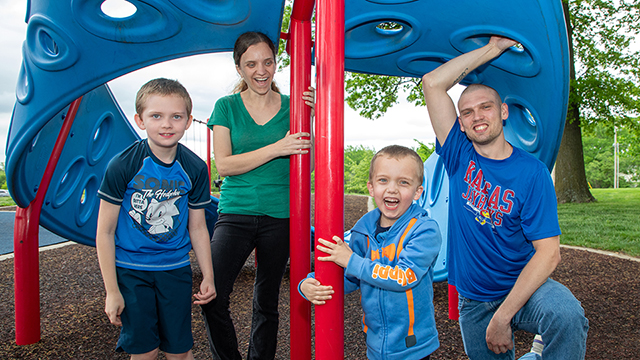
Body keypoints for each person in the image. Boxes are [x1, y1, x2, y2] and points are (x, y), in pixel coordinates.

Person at [421, 36, 589, 359]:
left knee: (567, 315)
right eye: (467, 112)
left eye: (485, 107)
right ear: (460, 123)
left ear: (504, 111)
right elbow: (432, 83)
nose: (477, 116)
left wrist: (503, 317)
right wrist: (492, 49)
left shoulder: (532, 173)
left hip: (524, 290)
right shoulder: (458, 154)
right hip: (474, 300)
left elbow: (549, 253)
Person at [200, 31, 314, 360]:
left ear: (276, 64)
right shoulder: (226, 106)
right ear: (239, 69)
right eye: (251, 64)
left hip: (281, 214)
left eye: (267, 62)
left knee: (267, 300)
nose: (260, 70)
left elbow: (307, 166)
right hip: (236, 211)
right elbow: (224, 164)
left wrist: (317, 115)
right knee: (213, 295)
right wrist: (278, 147)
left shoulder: (294, 107)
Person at [96, 78, 216, 360]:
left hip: (174, 269)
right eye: (156, 116)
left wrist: (208, 275)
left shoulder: (195, 168)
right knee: (145, 352)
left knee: (179, 351)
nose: (167, 124)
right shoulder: (123, 165)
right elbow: (105, 231)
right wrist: (111, 291)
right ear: (140, 120)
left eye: (176, 116)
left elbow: (198, 226)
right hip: (131, 270)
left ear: (188, 121)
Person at [300, 145, 442, 360]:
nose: (392, 189)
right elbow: (350, 277)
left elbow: (404, 277)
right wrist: (311, 283)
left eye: (403, 182)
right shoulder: (363, 230)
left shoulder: (424, 230)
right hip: (376, 341)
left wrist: (351, 260)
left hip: (412, 345)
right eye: (383, 180)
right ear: (371, 187)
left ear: (417, 192)